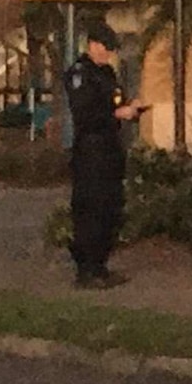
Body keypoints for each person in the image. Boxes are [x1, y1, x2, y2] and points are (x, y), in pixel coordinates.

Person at [64, 21, 145, 289]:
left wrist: (131, 109)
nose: (108, 54)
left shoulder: (107, 73)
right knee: (90, 209)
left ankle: (101, 264)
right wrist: (115, 114)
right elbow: (85, 114)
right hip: (90, 150)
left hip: (110, 148)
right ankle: (86, 269)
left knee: (110, 207)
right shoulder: (80, 73)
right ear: (93, 45)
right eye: (106, 48)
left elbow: (116, 102)